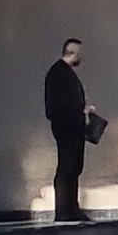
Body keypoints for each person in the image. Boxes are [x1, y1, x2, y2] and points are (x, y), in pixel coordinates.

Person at [44, 38, 96, 223]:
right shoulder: (59, 74)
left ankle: (71, 208)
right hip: (67, 126)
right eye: (78, 53)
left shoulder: (62, 73)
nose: (80, 57)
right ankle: (64, 210)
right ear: (71, 52)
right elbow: (58, 105)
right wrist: (81, 110)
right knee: (67, 167)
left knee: (73, 167)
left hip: (71, 125)